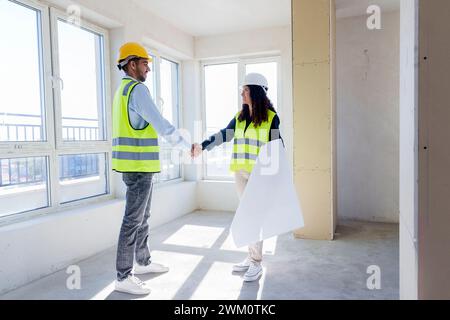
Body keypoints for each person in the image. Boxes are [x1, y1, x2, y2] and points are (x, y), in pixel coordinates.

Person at [112, 42, 191, 295]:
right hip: (138, 168)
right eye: (145, 63)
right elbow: (160, 123)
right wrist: (185, 146)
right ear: (132, 63)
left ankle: (142, 262)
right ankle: (123, 276)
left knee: (142, 217)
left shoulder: (121, 91)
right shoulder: (137, 90)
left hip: (134, 167)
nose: (148, 68)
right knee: (133, 220)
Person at [192, 73, 283, 282]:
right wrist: (203, 146)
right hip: (240, 173)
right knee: (247, 215)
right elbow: (224, 134)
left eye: (246, 89)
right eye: (242, 89)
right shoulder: (240, 117)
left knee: (254, 216)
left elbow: (278, 147)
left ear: (257, 91)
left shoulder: (271, 118)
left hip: (260, 175)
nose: (242, 93)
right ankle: (250, 256)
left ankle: (256, 262)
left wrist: (276, 177)